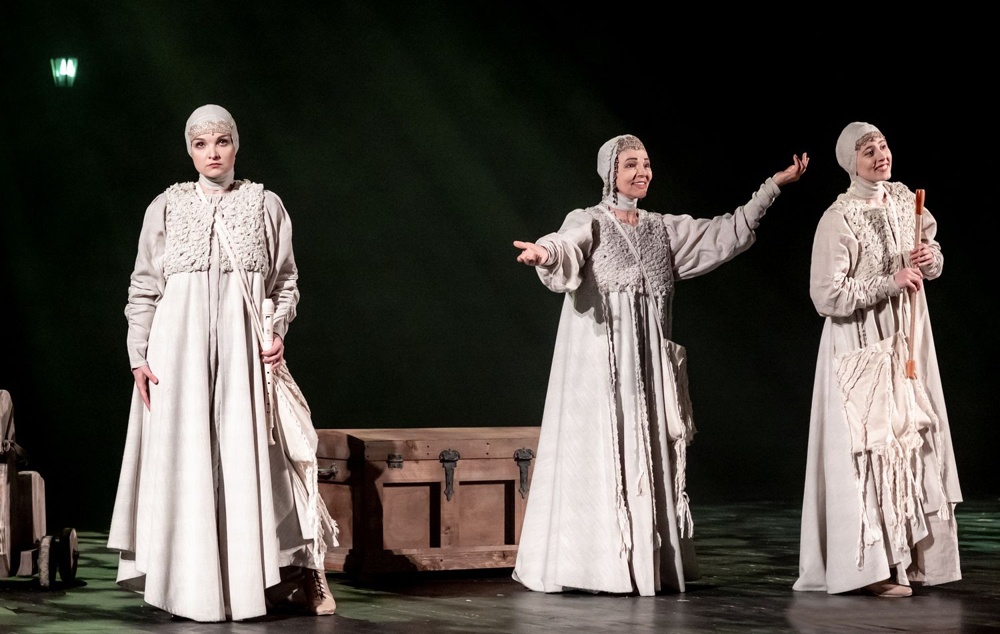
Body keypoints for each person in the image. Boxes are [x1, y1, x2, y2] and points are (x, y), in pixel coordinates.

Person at [511, 134, 808, 596]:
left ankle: (647, 563)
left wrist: (771, 187)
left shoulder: (661, 228)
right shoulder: (589, 220)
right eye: (631, 164)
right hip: (603, 363)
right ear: (611, 172)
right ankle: (598, 565)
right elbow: (565, 245)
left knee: (647, 444)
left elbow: (724, 232)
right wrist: (543, 254)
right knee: (607, 446)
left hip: (647, 365)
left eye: (646, 163)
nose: (642, 171)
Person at [107, 104, 338, 622]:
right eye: (201, 144)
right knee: (184, 459)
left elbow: (285, 281)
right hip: (177, 353)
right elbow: (144, 286)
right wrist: (138, 355)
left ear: (236, 144)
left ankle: (293, 573)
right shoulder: (166, 206)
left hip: (243, 352)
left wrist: (276, 331)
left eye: (221, 141)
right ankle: (189, 586)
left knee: (262, 458)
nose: (212, 153)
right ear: (189, 151)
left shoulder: (265, 204)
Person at [793, 122, 962, 598]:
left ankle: (918, 561)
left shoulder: (905, 199)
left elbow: (931, 251)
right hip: (862, 341)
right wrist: (890, 282)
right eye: (868, 151)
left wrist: (929, 260)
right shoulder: (839, 217)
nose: (880, 155)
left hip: (907, 340)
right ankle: (870, 569)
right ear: (852, 162)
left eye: (883, 145)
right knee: (871, 444)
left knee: (913, 437)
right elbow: (826, 295)